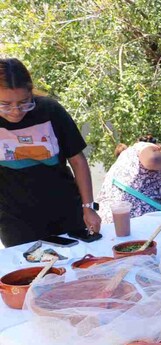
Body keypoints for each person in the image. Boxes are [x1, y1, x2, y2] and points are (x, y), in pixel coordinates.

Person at [0, 58, 101, 247]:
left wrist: (88, 208)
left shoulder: (49, 110)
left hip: (67, 211)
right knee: (31, 273)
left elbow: (77, 160)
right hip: (16, 221)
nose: (15, 111)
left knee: (81, 267)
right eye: (5, 104)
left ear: (31, 92)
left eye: (23, 103)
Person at [98, 135, 161, 223]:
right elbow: (152, 159)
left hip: (109, 221)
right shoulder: (143, 146)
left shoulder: (125, 164)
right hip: (136, 222)